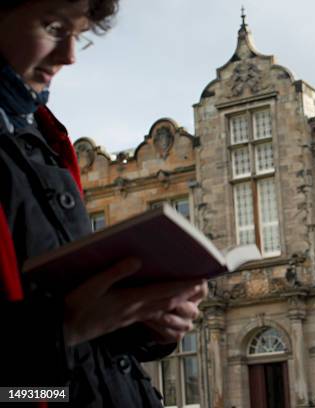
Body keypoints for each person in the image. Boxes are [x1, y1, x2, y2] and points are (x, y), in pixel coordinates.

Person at [0, 1, 206, 406]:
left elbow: (67, 314)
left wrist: (146, 324)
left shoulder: (43, 134)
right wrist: (64, 329)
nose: (69, 56)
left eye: (79, 36)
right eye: (54, 27)